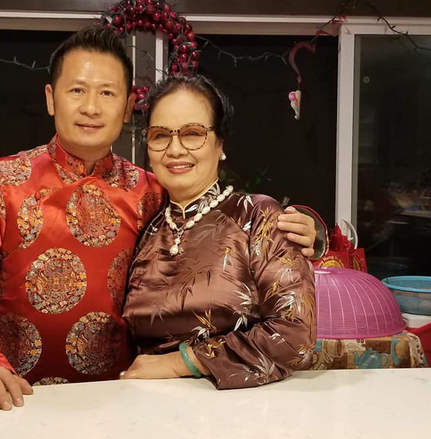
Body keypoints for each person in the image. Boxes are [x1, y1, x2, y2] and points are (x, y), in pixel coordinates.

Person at [0, 26, 320, 411]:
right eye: (77, 90)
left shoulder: (149, 192)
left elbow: (214, 216)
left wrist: (309, 231)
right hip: (14, 401)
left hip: (126, 403)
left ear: (128, 106)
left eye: (107, 93)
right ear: (51, 98)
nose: (91, 107)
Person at [121, 74, 316, 389]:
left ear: (220, 143)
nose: (174, 149)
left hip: (236, 406)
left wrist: (181, 363)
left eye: (193, 133)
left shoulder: (257, 217)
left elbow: (295, 336)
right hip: (146, 402)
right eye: (160, 135)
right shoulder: (146, 230)